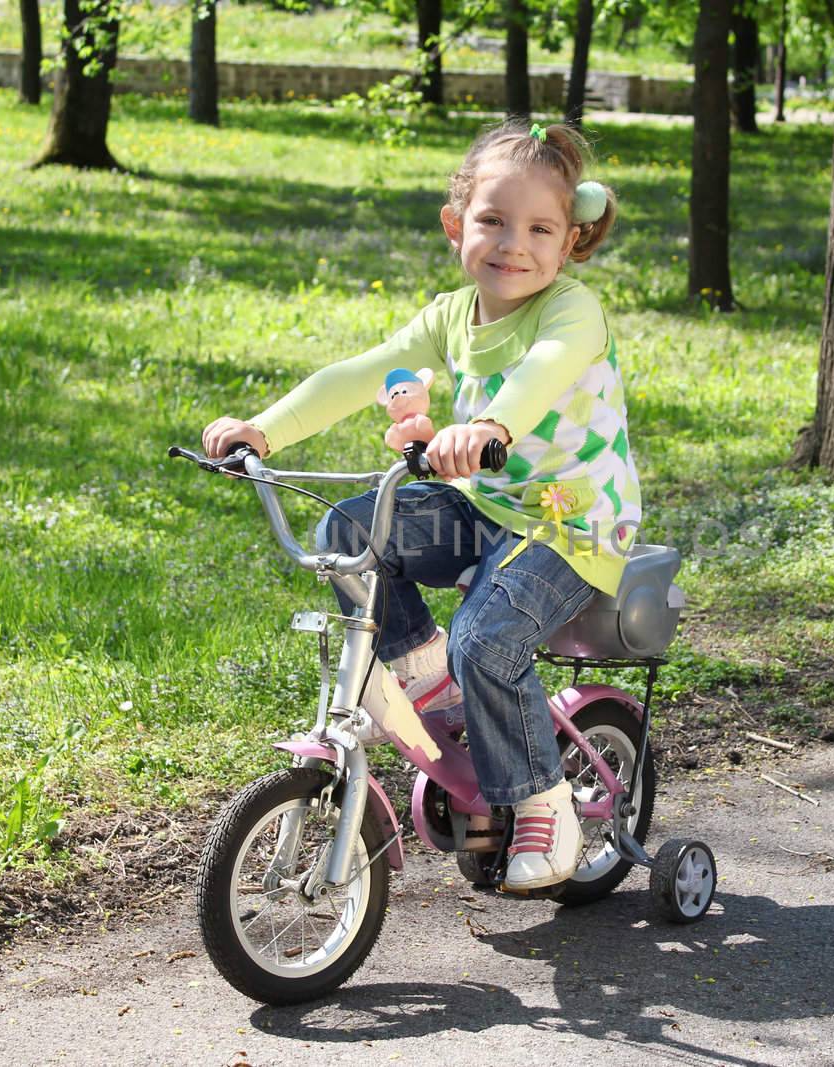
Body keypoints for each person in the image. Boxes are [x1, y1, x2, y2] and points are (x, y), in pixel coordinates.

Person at [201, 120, 640, 890]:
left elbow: (542, 371)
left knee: (488, 638)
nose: (514, 244)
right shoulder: (450, 317)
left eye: (540, 228)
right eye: (493, 222)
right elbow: (361, 373)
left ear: (569, 243)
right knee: (347, 530)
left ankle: (543, 798)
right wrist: (262, 430)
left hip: (570, 521)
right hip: (485, 508)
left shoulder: (572, 313)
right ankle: (428, 676)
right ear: (455, 227)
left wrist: (490, 424)